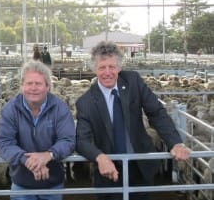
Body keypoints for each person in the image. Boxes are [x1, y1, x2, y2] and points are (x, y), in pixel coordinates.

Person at [75, 40, 190, 200]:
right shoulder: (85, 102)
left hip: (139, 164)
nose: (107, 72)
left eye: (112, 67)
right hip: (108, 168)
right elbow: (82, 140)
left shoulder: (133, 81)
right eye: (102, 67)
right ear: (94, 69)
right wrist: (99, 157)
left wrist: (175, 143)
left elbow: (156, 112)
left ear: (119, 67)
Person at [0, 60, 75, 200]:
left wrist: (49, 155)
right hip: (22, 184)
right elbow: (3, 143)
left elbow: (68, 139)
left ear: (48, 87)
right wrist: (26, 160)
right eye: (29, 83)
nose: (33, 88)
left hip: (52, 183)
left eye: (38, 83)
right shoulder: (10, 109)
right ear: (21, 86)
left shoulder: (59, 108)